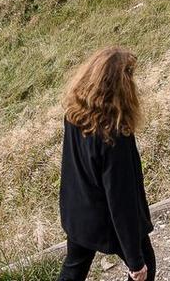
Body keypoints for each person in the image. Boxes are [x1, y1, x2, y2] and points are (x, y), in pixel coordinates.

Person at [58, 47, 154, 281]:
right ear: (119, 85)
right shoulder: (114, 136)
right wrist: (134, 259)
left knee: (74, 268)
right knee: (146, 267)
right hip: (105, 219)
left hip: (78, 212)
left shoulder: (75, 113)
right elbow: (122, 201)